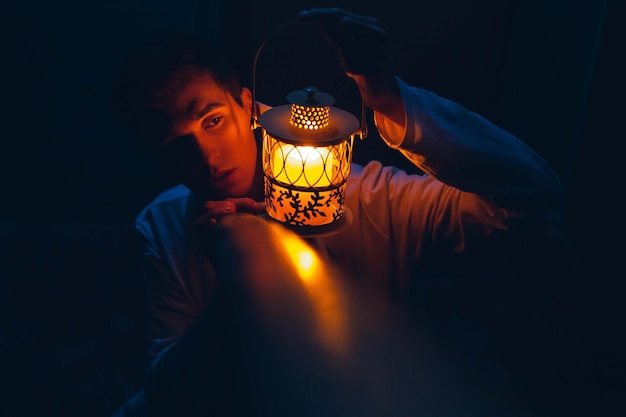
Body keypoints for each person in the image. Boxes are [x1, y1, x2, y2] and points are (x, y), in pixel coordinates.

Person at [110, 7, 565, 417]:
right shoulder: (164, 225)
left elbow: (530, 195)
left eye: (212, 120)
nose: (206, 158)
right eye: (176, 146)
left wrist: (392, 102)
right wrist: (234, 284)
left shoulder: (371, 199)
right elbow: (167, 393)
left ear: (247, 104)